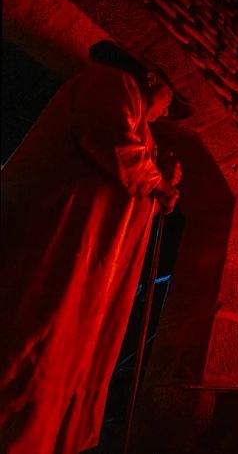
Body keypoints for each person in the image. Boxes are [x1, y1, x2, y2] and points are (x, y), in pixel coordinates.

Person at [0, 40, 193, 454]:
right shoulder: (112, 84)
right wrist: (159, 183)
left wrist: (162, 184)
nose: (164, 114)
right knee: (31, 346)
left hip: (91, 267)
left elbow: (135, 187)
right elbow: (115, 147)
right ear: (152, 80)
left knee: (59, 359)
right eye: (167, 103)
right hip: (56, 247)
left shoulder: (143, 126)